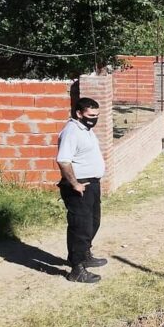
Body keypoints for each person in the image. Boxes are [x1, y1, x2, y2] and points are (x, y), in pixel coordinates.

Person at [56, 97, 108, 283]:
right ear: (79, 113)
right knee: (81, 227)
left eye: (96, 115)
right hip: (79, 187)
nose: (94, 118)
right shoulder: (71, 131)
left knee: (93, 222)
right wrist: (75, 183)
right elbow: (63, 160)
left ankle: (84, 254)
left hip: (92, 184)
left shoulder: (85, 129)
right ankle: (77, 269)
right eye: (90, 115)